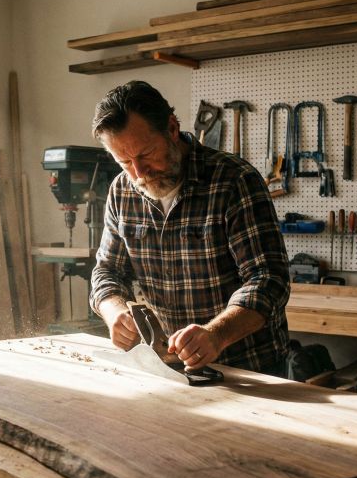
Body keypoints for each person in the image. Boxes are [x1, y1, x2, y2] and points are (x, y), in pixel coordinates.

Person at [89, 81, 290, 374]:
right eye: (125, 162)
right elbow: (107, 271)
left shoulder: (234, 181)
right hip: (169, 367)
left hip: (247, 367)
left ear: (172, 128)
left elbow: (269, 279)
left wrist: (216, 334)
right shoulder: (122, 191)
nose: (139, 173)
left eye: (146, 154)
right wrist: (114, 311)